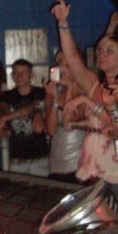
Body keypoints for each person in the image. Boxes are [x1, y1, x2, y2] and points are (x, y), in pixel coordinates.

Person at [51, 0, 118, 206]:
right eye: (100, 50)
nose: (102, 55)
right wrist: (63, 23)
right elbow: (72, 58)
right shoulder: (95, 85)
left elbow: (116, 127)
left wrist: (87, 102)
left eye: (109, 51)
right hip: (92, 174)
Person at [0, 59, 49, 176]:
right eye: (16, 73)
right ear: (12, 76)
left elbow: (33, 108)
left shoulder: (41, 93)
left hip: (39, 158)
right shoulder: (6, 95)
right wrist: (3, 124)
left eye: (23, 72)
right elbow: (2, 109)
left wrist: (4, 119)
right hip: (15, 160)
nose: (19, 76)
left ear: (31, 75)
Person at [44, 50, 85, 182]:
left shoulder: (86, 91)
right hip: (57, 161)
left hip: (79, 162)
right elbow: (51, 130)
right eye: (61, 67)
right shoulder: (53, 92)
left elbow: (70, 120)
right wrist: (55, 98)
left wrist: (70, 88)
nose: (64, 71)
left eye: (68, 66)